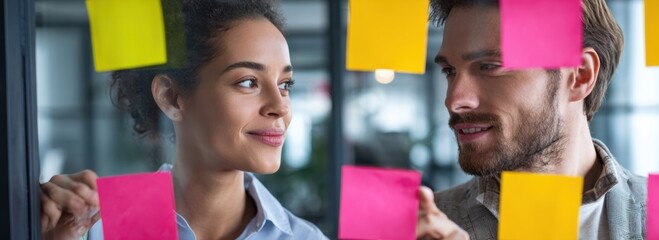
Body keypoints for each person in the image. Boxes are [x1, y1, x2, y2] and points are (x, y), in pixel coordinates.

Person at [40, 0, 467, 239]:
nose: (280, 107)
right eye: (247, 82)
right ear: (171, 97)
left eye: (285, 85)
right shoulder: (97, 231)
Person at [424, 0, 647, 239]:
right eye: (449, 71)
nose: (454, 100)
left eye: (489, 66)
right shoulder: (423, 226)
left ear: (580, 75)